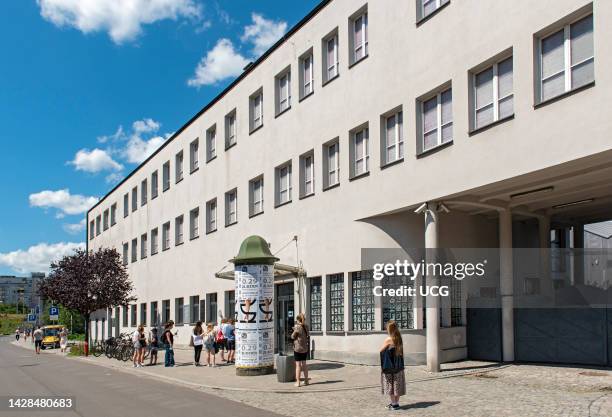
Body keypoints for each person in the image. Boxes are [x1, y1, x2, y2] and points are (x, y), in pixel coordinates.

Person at [379, 320, 406, 410]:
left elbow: (381, 350)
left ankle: (393, 404)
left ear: (389, 329)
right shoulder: (399, 338)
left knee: (390, 384)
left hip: (389, 366)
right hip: (398, 365)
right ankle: (396, 403)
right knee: (397, 384)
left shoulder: (388, 339)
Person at [291, 313, 310, 387]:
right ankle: (306, 380)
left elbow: (292, 336)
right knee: (304, 364)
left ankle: (298, 382)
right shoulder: (306, 327)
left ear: (298, 320)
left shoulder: (298, 327)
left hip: (298, 348)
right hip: (305, 348)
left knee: (298, 365)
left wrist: (294, 330)